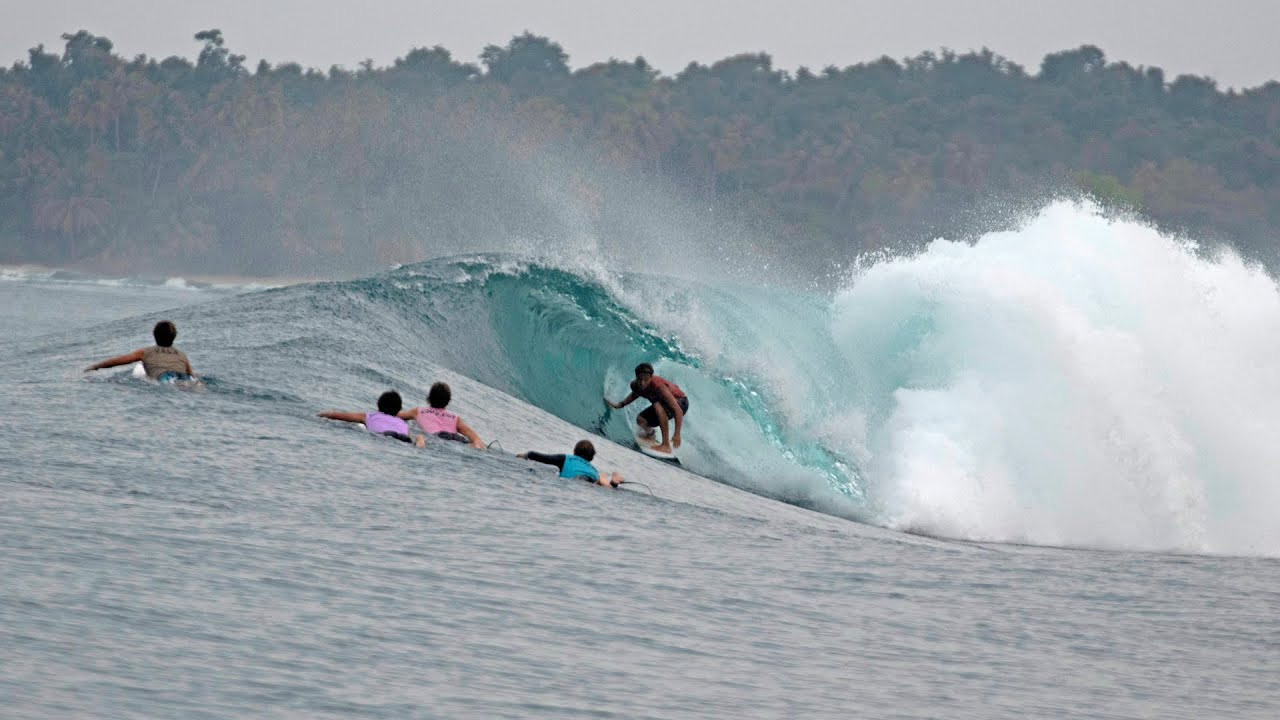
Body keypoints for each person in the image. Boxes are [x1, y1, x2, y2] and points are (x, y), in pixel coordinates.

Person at [604, 362, 688, 454]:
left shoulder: (659, 387)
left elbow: (678, 410)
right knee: (641, 420)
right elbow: (636, 394)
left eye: (646, 380)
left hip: (681, 402)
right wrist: (621, 404)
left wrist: (677, 434)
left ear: (651, 378)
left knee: (658, 408)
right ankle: (650, 435)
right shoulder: (635, 385)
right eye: (640, 379)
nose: (642, 383)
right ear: (636, 376)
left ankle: (666, 445)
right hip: (664, 403)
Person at [84, 320, 197, 382]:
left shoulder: (146, 352)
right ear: (174, 337)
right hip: (184, 377)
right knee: (189, 386)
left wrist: (96, 366)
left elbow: (118, 361)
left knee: (172, 385)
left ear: (154, 335)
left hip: (164, 377)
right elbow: (192, 375)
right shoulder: (182, 355)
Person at [318, 390, 425, 446]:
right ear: (398, 410)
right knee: (415, 439)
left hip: (384, 435)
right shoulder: (403, 423)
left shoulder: (369, 416)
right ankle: (420, 441)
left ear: (378, 404)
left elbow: (339, 416)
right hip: (404, 438)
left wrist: (322, 414)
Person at [398, 381, 485, 449]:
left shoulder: (418, 411)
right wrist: (476, 442)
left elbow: (397, 415)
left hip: (437, 437)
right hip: (456, 438)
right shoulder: (455, 417)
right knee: (474, 444)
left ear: (429, 397)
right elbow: (470, 433)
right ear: (448, 400)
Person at [518, 440, 624, 488]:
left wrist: (526, 455)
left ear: (575, 451)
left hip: (574, 481)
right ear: (591, 457)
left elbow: (542, 457)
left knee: (580, 480)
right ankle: (613, 483)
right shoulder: (594, 470)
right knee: (601, 482)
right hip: (590, 480)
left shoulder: (566, 458)